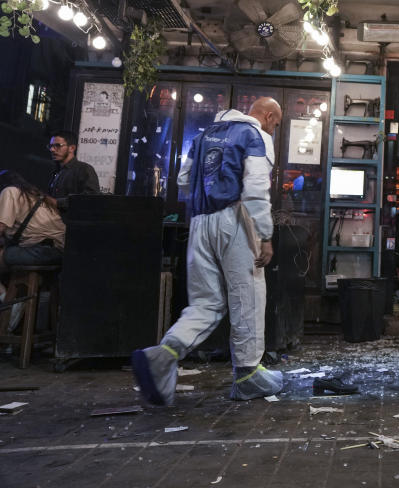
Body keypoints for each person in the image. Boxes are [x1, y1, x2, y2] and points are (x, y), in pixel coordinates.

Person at [132, 97, 284, 405]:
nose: (274, 129)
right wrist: (265, 235)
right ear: (268, 116)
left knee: (205, 303)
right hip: (236, 219)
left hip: (200, 221)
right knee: (248, 296)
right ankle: (247, 375)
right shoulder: (255, 135)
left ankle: (163, 355)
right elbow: (255, 189)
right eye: (276, 125)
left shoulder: (203, 135)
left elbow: (184, 179)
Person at [0, 170, 65, 330]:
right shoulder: (35, 195)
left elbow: (1, 227)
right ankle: (12, 311)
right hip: (58, 253)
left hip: (41, 251)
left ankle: (7, 304)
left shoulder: (10, 192)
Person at [47, 130, 100, 213]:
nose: (52, 149)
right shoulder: (57, 171)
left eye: (57, 145)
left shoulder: (84, 169)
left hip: (72, 223)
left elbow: (91, 198)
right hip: (53, 221)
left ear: (72, 148)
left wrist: (57, 202)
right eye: (50, 146)